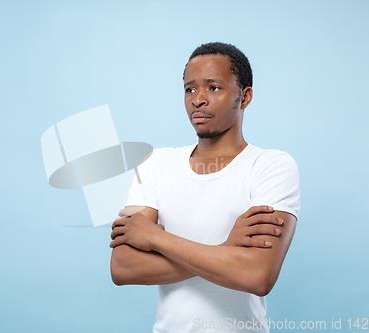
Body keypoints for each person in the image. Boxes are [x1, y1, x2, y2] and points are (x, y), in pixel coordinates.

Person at [109, 42, 300, 333]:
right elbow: (123, 267)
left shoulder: (270, 166)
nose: (198, 100)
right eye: (190, 89)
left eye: (213, 88)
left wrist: (155, 239)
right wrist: (226, 249)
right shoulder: (156, 164)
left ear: (245, 96)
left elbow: (258, 275)